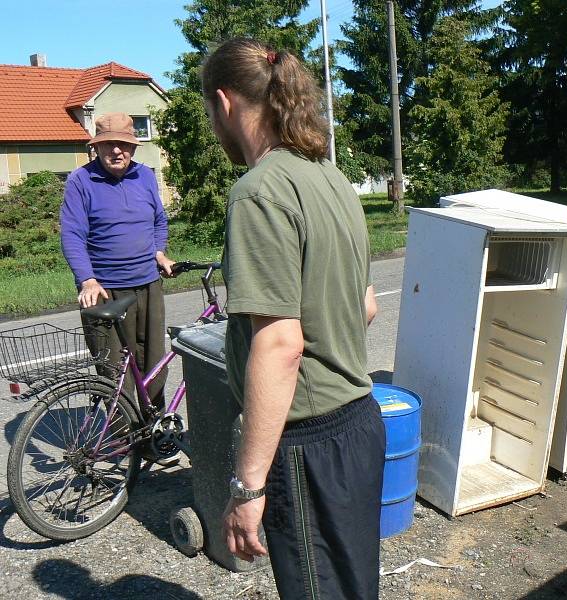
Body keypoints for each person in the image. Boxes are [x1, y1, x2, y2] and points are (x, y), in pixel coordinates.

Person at [201, 38, 384, 599]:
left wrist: (247, 486)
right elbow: (366, 304)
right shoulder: (328, 177)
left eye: (209, 111)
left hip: (307, 446)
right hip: (357, 425)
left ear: (225, 102)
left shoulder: (259, 192)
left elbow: (280, 344)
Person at [60, 112, 175, 409]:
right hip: (104, 290)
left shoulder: (146, 176)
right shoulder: (80, 180)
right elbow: (72, 234)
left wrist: (158, 251)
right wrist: (87, 279)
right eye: (108, 144)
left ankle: (155, 432)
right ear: (96, 147)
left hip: (147, 284)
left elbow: (159, 221)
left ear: (134, 148)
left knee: (153, 362)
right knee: (111, 371)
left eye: (123, 144)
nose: (116, 151)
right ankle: (122, 437)